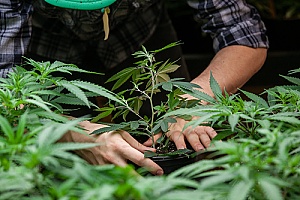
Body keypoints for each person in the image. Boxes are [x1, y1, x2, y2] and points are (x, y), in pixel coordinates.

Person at [0, 0, 269, 175]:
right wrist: (69, 132)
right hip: (43, 46)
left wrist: (195, 98)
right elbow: (5, 90)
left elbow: (244, 33)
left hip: (139, 38)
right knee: (54, 168)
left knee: (181, 158)